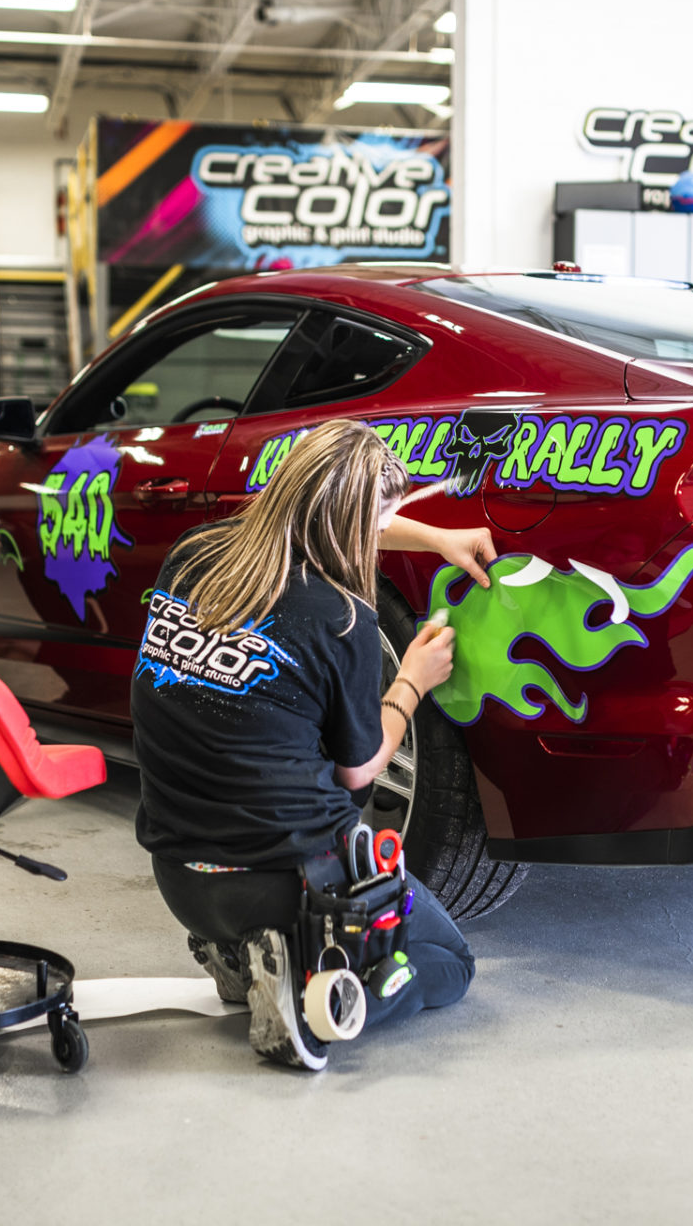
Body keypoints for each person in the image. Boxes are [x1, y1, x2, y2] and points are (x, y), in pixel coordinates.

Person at [132, 418, 496, 1072]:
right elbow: (360, 772)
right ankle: (319, 1006)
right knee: (449, 962)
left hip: (181, 880)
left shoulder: (193, 554)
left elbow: (327, 518)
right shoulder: (342, 617)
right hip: (289, 887)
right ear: (354, 522)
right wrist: (412, 681)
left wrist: (436, 538)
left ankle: (241, 955)